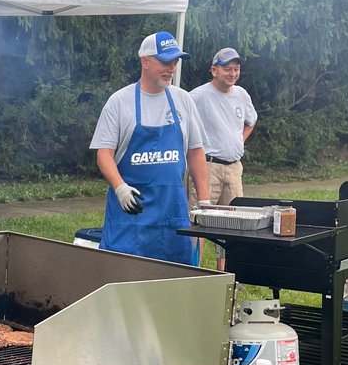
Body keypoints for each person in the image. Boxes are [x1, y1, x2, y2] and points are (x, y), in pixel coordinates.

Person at [91, 31, 210, 265]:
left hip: (173, 212)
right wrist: (120, 188)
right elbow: (103, 153)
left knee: (175, 283)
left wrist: (204, 201)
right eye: (165, 62)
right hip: (131, 214)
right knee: (125, 278)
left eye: (175, 62)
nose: (172, 68)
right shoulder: (119, 102)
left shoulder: (183, 100)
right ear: (145, 61)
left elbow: (195, 151)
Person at [189, 47, 257, 270]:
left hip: (234, 169)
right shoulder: (197, 96)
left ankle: (225, 273)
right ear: (213, 70)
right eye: (227, 69)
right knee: (199, 221)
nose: (232, 74)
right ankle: (193, 270)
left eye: (236, 69)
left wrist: (238, 140)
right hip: (207, 167)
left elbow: (251, 121)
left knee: (233, 225)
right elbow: (184, 126)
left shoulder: (241, 94)